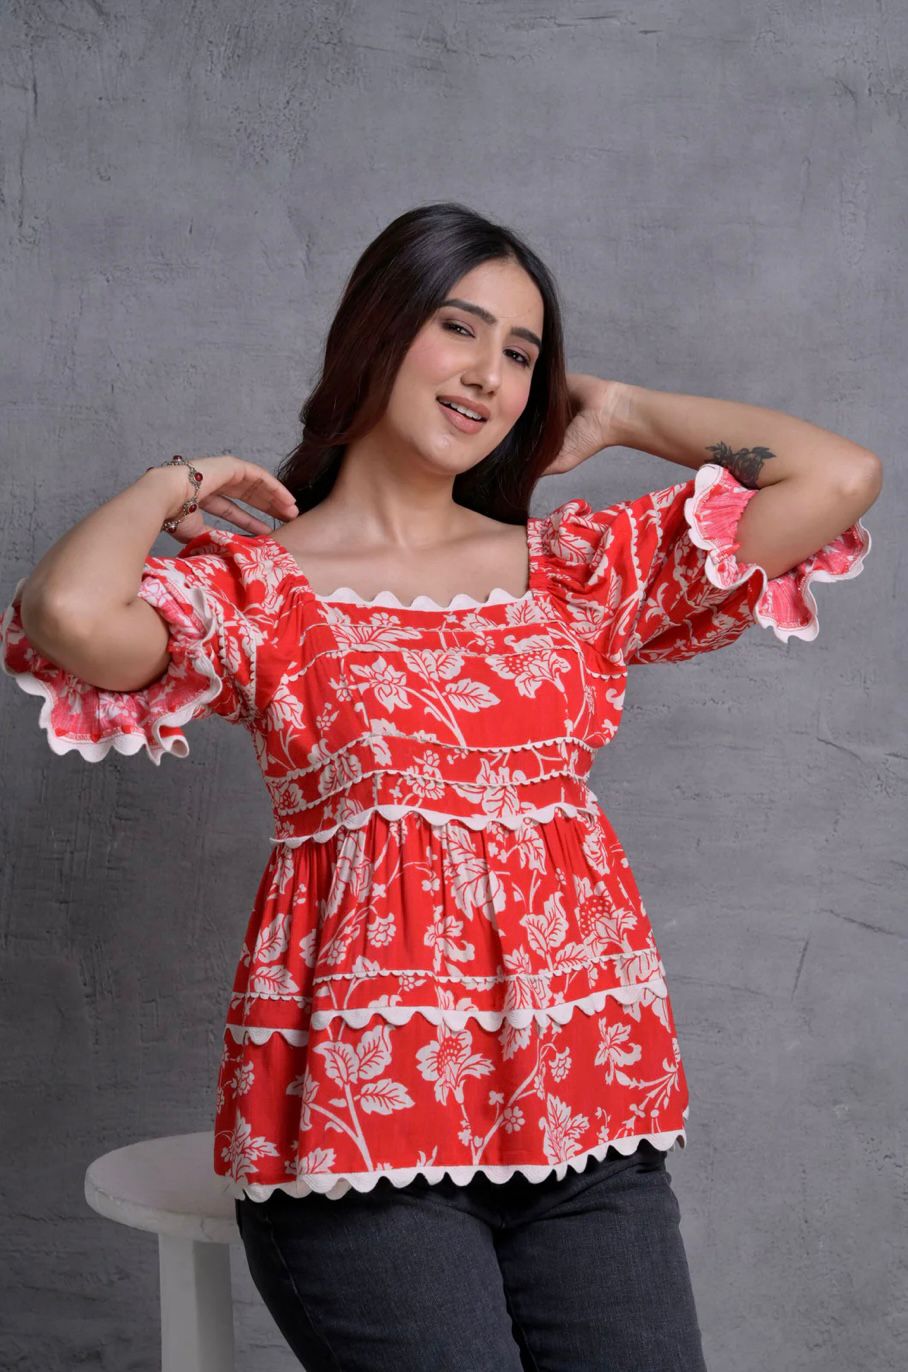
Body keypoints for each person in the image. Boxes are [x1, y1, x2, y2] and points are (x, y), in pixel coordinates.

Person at [2, 202, 880, 1371]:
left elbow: (839, 474)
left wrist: (616, 409)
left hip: (586, 1126)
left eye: (520, 353)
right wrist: (178, 483)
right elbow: (66, 616)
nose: (486, 375)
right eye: (458, 329)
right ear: (376, 330)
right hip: (362, 1145)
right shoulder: (261, 592)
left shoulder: (568, 574)